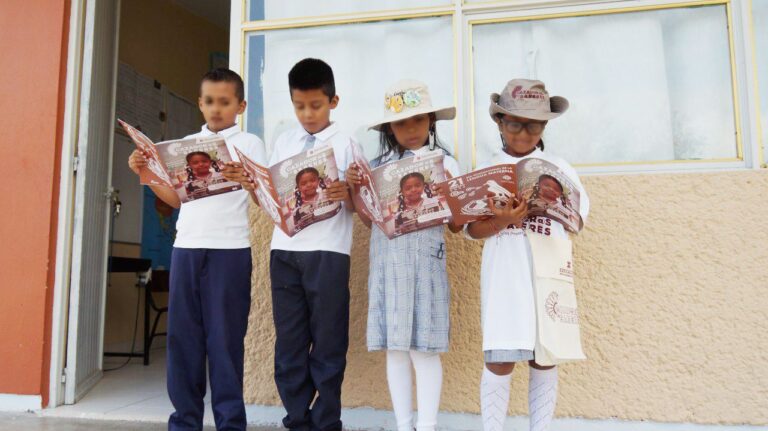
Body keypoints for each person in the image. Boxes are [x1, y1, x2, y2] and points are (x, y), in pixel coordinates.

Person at [128, 68, 266, 431]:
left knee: (224, 342)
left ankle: (230, 424)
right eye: (209, 101)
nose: (216, 109)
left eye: (224, 102)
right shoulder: (186, 144)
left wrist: (247, 180)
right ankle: (184, 423)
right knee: (183, 341)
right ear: (200, 103)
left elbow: (262, 197)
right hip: (186, 249)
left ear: (241, 104)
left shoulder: (250, 143)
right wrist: (146, 174)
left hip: (230, 251)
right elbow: (176, 199)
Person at [465, 79, 590, 431]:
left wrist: (551, 206)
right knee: (501, 360)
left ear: (545, 126)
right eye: (514, 122)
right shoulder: (485, 169)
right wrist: (500, 221)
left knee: (545, 359)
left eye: (532, 124)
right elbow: (471, 230)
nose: (522, 132)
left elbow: (579, 219)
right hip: (505, 273)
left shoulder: (559, 168)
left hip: (548, 271)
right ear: (499, 122)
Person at [347, 79, 461, 431]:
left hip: (427, 265)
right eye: (401, 123)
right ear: (389, 128)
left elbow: (458, 224)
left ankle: (426, 425)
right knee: (396, 348)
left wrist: (449, 196)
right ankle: (402, 423)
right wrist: (354, 187)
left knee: (425, 348)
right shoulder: (377, 168)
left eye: (418, 120)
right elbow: (369, 221)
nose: (410, 129)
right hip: (389, 263)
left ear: (431, 121)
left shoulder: (447, 163)